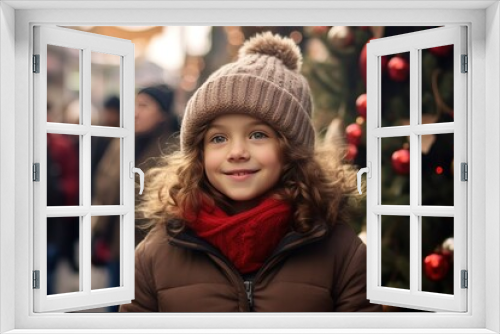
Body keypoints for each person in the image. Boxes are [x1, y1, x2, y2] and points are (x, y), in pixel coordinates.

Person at [119, 32, 381, 312]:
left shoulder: (341, 251)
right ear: (200, 154)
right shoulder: (157, 252)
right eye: (218, 138)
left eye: (257, 135)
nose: (237, 152)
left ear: (292, 150)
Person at [91, 84, 180, 311]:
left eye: (144, 105)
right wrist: (99, 231)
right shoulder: (122, 142)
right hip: (116, 245)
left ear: (162, 114)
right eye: (134, 104)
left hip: (152, 252)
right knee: (113, 307)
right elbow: (105, 187)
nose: (135, 112)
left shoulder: (174, 151)